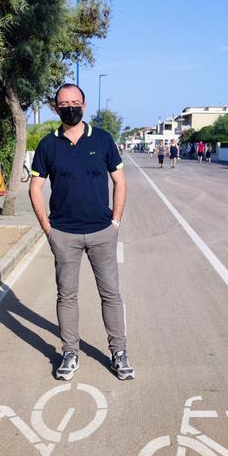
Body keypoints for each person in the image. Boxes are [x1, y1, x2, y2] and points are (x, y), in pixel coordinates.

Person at [29, 83, 133, 381]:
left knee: (111, 294)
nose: (70, 107)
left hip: (102, 232)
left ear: (84, 106)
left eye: (75, 102)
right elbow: (35, 189)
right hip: (64, 234)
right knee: (67, 296)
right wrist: (48, 229)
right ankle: (70, 352)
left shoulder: (102, 140)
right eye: (64, 103)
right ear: (56, 108)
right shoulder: (48, 145)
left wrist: (115, 222)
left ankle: (119, 352)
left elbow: (120, 182)